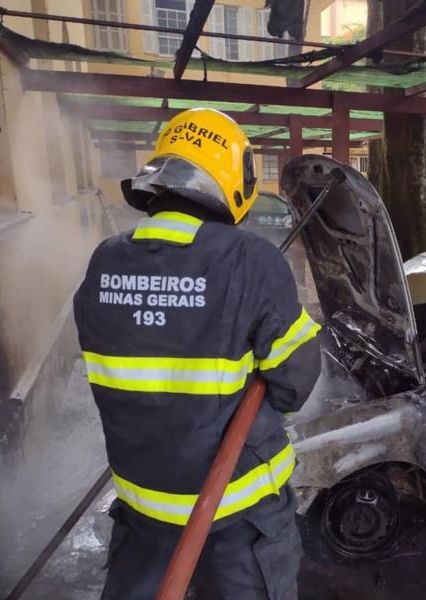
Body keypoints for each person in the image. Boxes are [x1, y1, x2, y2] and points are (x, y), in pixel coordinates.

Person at [73, 108, 321, 600]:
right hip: (236, 518)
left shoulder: (104, 261)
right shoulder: (250, 259)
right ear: (235, 178)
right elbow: (294, 382)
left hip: (142, 514)